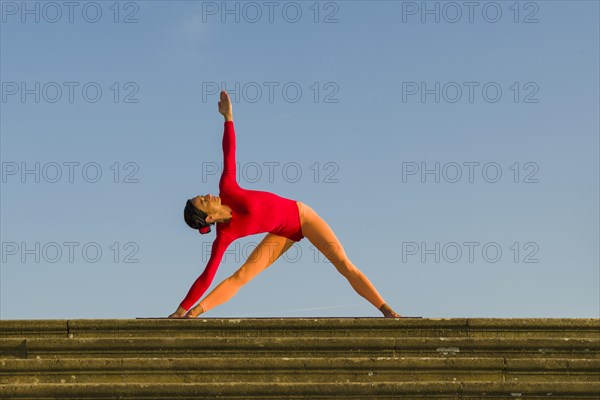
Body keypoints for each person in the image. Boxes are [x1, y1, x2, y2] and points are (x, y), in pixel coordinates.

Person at [168, 90, 401, 319]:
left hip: (303, 217)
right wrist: (183, 309)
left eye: (203, 195)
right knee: (242, 276)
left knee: (343, 264)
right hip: (281, 234)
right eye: (203, 201)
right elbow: (207, 276)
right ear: (208, 218)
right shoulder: (224, 235)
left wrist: (228, 118)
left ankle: (386, 310)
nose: (208, 195)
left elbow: (229, 152)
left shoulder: (227, 188)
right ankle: (193, 315)